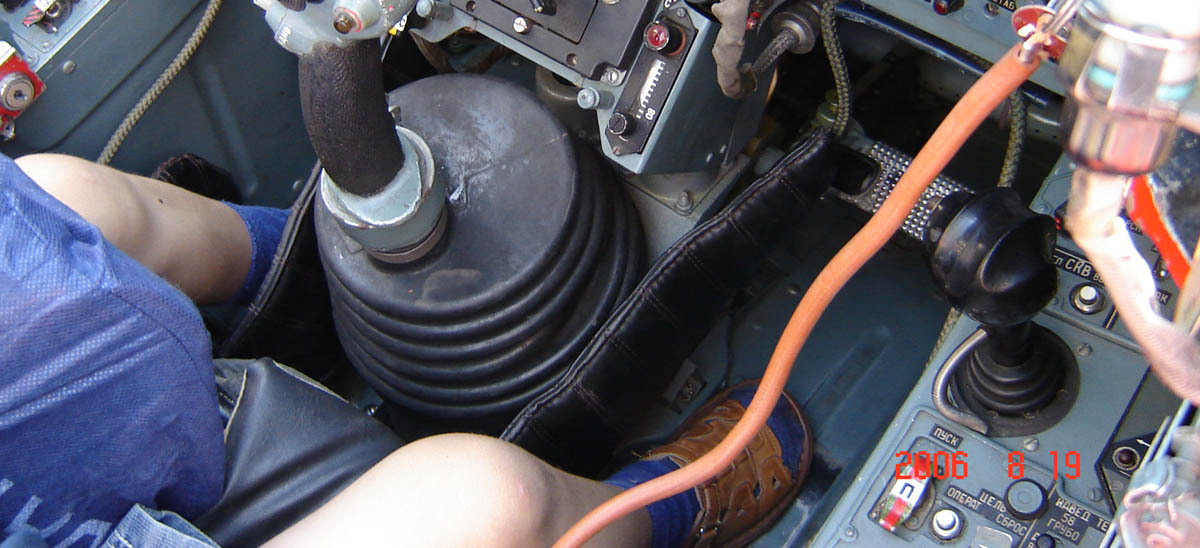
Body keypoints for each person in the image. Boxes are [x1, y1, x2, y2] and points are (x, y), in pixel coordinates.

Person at [2, 151, 813, 548]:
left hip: (125, 417)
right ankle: (672, 508)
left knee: (68, 199)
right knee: (489, 499)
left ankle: (311, 257)